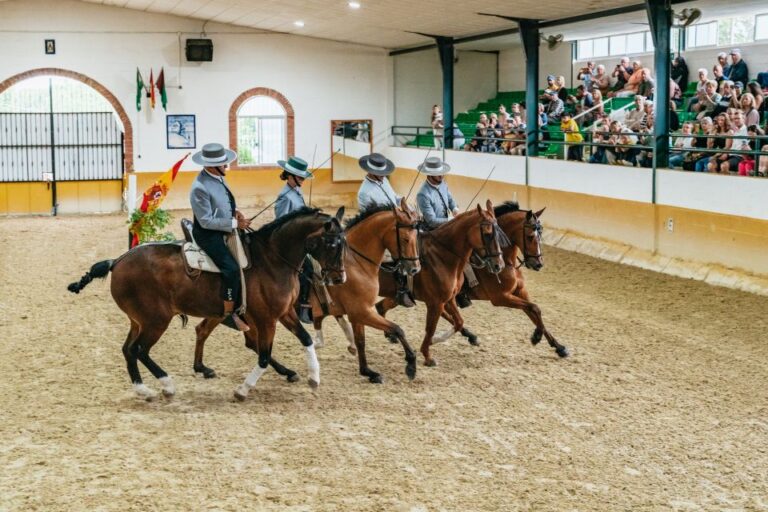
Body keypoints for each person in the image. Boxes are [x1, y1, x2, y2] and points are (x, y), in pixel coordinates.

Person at [189, 143, 251, 332]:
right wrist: (234, 224)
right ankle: (228, 313)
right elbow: (206, 221)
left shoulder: (218, 177)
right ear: (211, 166)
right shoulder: (199, 187)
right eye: (223, 164)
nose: (226, 166)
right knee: (231, 268)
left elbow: (223, 200)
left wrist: (236, 211)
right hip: (208, 235)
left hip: (225, 227)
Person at [415, 156, 474, 308]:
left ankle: (465, 287)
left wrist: (455, 210)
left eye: (441, 172)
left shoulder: (443, 184)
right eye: (438, 174)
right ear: (429, 174)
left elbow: (451, 200)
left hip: (448, 227)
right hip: (433, 231)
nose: (441, 175)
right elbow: (431, 220)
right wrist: (453, 221)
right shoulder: (423, 194)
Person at [357, 152, 413, 307]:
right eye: (379, 173)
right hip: (378, 230)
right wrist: (395, 215)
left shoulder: (384, 181)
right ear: (370, 172)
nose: (383, 176)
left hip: (394, 223)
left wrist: (404, 203)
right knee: (398, 252)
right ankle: (401, 290)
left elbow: (394, 197)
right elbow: (372, 216)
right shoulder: (364, 192)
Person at [275, 156, 314, 323]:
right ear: (290, 176)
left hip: (302, 239)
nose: (302, 180)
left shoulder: (297, 191)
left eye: (303, 177)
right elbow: (282, 223)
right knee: (308, 269)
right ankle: (303, 306)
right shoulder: (285, 197)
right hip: (290, 243)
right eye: (300, 177)